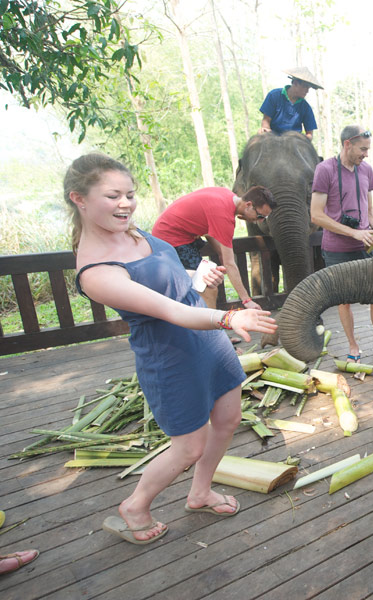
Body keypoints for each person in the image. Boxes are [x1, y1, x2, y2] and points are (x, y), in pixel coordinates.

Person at [66, 154, 277, 544]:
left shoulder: (136, 232)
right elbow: (170, 311)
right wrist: (230, 319)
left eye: (129, 194)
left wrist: (198, 274)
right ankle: (136, 505)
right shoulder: (96, 271)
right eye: (113, 196)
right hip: (170, 354)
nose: (126, 204)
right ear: (79, 198)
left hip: (207, 338)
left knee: (229, 418)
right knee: (188, 447)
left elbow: (172, 277)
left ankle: (200, 492)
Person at [310, 125, 373, 363]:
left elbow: (369, 207)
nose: (366, 154)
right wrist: (354, 233)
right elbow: (316, 215)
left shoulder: (366, 170)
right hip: (337, 248)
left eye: (368, 149)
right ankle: (353, 346)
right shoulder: (325, 170)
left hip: (365, 246)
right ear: (347, 144)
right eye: (362, 149)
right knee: (345, 300)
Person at [152, 186, 275, 311]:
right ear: (248, 205)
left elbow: (209, 232)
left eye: (264, 218)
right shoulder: (224, 217)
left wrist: (221, 253)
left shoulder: (227, 196)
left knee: (202, 280)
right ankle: (210, 327)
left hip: (178, 234)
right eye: (260, 216)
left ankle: (199, 319)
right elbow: (230, 264)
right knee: (208, 285)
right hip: (170, 239)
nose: (260, 221)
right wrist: (247, 300)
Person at [259, 66, 323, 138]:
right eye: (305, 87)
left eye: (308, 88)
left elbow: (309, 133)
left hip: (294, 142)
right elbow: (266, 121)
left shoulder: (306, 107)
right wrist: (266, 132)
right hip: (273, 138)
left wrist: (305, 140)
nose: (307, 91)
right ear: (295, 83)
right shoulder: (274, 96)